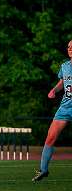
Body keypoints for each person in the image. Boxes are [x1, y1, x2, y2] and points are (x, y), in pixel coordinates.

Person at [32, 40, 72, 182]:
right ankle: (43, 170)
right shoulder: (65, 66)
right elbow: (62, 82)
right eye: (68, 46)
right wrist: (54, 90)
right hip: (66, 107)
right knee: (50, 137)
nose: (70, 48)